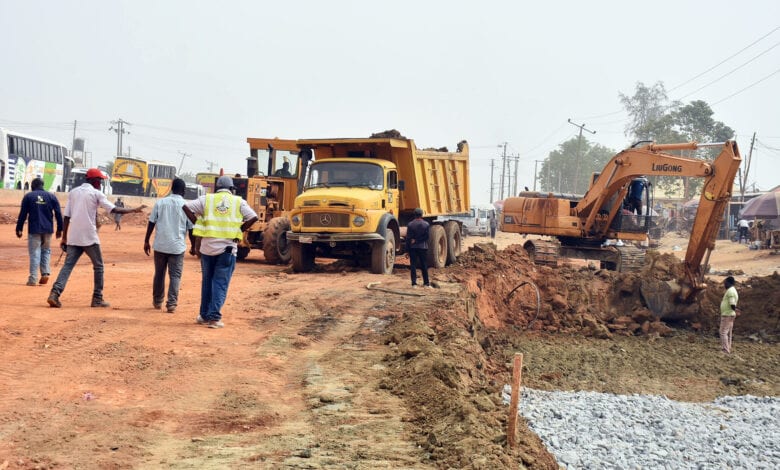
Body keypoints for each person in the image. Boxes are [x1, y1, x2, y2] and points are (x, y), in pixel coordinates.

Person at [46, 168, 146, 308]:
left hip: (74, 236)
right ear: (94, 181)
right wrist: (134, 210)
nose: (100, 183)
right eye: (99, 180)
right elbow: (114, 209)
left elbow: (67, 217)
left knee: (67, 266)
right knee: (98, 266)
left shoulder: (73, 192)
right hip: (89, 236)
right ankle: (97, 298)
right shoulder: (96, 193)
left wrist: (64, 238)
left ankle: (54, 294)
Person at [183, 175, 258, 328]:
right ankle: (214, 318)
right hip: (227, 249)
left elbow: (186, 207)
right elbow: (253, 217)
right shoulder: (238, 202)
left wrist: (197, 223)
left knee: (207, 282)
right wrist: (240, 229)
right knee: (220, 283)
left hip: (206, 249)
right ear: (232, 189)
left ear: (217, 188)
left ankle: (204, 315)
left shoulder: (207, 200)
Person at [144, 178, 194, 313]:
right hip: (177, 248)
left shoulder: (160, 203)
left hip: (160, 245)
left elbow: (151, 222)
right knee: (175, 276)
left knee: (159, 273)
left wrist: (146, 240)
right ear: (184, 191)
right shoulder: (187, 206)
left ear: (172, 188)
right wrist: (194, 246)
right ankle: (171, 303)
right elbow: (191, 229)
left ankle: (157, 300)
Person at [15, 177, 63, 286]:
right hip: (48, 229)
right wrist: (60, 228)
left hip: (34, 229)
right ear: (42, 185)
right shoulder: (51, 196)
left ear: (32, 186)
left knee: (35, 252)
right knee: (46, 250)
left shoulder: (28, 196)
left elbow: (23, 214)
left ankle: (33, 278)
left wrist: (19, 228)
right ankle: (45, 273)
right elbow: (58, 213)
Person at [406, 208, 432, 289]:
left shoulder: (410, 224)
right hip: (423, 247)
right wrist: (418, 240)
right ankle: (426, 284)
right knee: (424, 265)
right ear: (422, 215)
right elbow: (426, 237)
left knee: (413, 265)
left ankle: (414, 284)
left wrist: (407, 250)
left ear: (414, 215)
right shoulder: (426, 224)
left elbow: (408, 238)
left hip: (413, 248)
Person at [719, 276, 740, 354]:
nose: (724, 285)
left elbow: (732, 303)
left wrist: (735, 309)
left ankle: (725, 350)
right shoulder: (732, 290)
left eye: (725, 283)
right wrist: (735, 310)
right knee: (728, 332)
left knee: (723, 332)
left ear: (728, 283)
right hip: (730, 314)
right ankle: (728, 347)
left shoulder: (730, 291)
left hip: (727, 314)